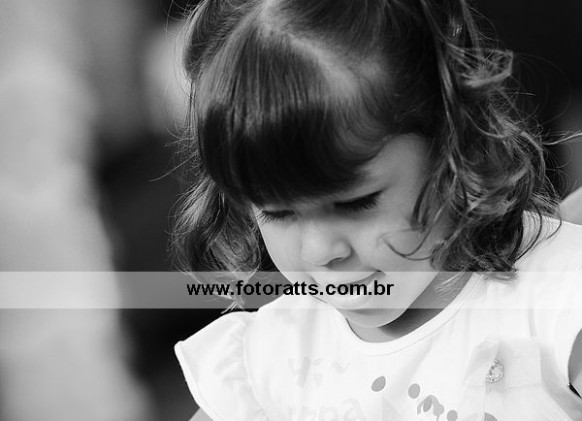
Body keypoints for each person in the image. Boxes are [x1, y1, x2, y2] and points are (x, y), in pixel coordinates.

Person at [173, 0, 582, 419]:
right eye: (277, 213)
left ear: (452, 142)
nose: (319, 250)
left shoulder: (557, 300)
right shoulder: (268, 361)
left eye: (356, 203)